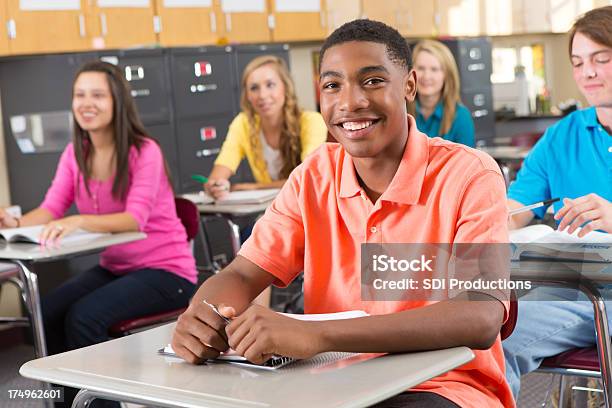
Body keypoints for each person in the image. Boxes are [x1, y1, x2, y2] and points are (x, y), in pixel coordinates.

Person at [172, 19, 513, 408]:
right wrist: (203, 315)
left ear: (409, 86)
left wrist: (321, 335)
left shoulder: (470, 174)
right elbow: (243, 274)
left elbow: (481, 316)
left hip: (442, 388)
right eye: (333, 85)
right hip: (334, 386)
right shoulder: (313, 176)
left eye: (372, 81)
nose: (350, 102)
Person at [0, 61, 197, 407]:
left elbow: (133, 219)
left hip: (167, 272)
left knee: (84, 317)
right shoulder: (77, 154)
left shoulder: (144, 151)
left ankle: (101, 403)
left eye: (97, 95)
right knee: (44, 311)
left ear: (117, 101)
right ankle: (69, 402)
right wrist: (16, 225)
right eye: (79, 95)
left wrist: (80, 221)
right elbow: (50, 208)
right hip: (117, 268)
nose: (86, 103)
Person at [502, 5, 612, 399]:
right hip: (578, 288)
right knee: (491, 334)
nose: (589, 72)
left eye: (602, 59)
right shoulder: (562, 136)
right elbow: (516, 209)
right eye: (579, 62)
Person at [204, 55, 327, 199]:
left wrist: (254, 187)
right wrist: (215, 185)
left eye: (270, 85)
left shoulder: (312, 121)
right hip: (274, 211)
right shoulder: (243, 123)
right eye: (254, 88)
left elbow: (308, 177)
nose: (262, 95)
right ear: (248, 96)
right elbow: (221, 168)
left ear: (285, 88)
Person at [407, 40, 475, 147]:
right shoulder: (402, 111)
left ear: (447, 75)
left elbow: (468, 163)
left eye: (434, 69)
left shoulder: (461, 116)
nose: (426, 76)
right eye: (420, 68)